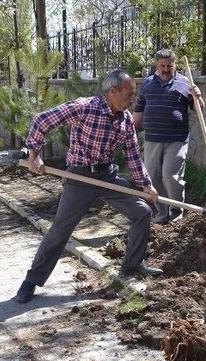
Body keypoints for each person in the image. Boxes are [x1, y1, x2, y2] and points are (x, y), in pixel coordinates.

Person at [15, 68, 163, 304]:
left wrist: (146, 186)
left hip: (106, 176)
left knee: (142, 212)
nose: (132, 99)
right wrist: (35, 155)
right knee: (60, 230)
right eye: (129, 94)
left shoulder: (125, 121)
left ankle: (132, 266)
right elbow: (42, 120)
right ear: (112, 92)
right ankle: (31, 281)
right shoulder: (85, 107)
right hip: (79, 178)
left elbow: (134, 156)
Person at [133, 49, 204, 224]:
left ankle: (176, 210)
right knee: (153, 175)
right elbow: (138, 112)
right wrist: (130, 131)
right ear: (157, 65)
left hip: (176, 139)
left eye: (169, 66)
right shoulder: (148, 84)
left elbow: (199, 109)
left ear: (175, 65)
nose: (165, 69)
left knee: (170, 175)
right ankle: (162, 212)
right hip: (152, 138)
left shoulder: (185, 83)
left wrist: (198, 96)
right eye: (162, 66)